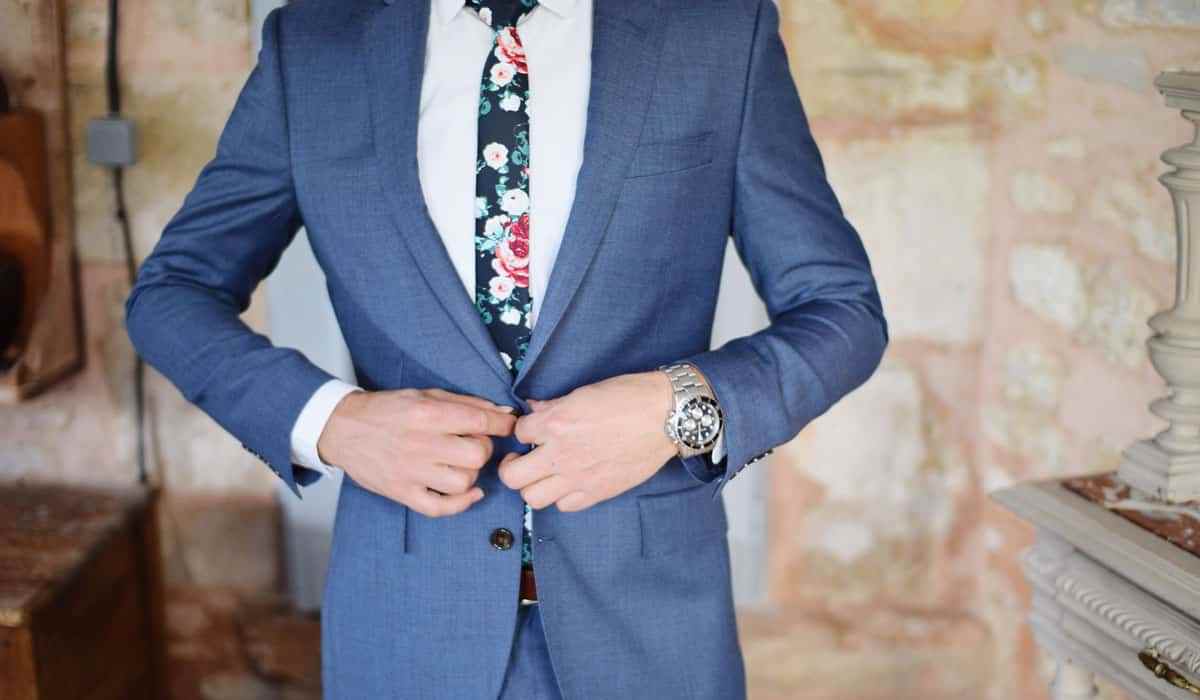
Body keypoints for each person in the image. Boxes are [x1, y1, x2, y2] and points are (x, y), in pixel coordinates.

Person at [125, 0, 888, 697]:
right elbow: (173, 293)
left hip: (651, 632)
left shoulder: (718, 32)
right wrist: (333, 423)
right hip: (404, 626)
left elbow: (841, 312)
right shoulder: (314, 45)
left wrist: (675, 409)